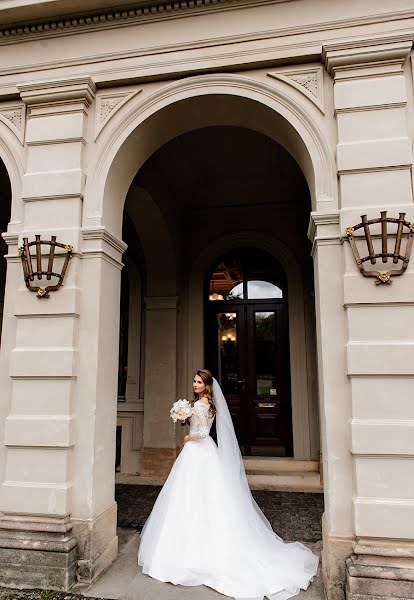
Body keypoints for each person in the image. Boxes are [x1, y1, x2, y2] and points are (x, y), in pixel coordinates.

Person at [138, 369, 319, 600]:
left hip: (198, 451)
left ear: (207, 385)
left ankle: (189, 551)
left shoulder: (203, 404)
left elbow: (202, 432)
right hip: (202, 454)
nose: (195, 384)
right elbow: (198, 425)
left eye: (199, 382)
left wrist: (188, 436)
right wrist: (184, 417)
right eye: (193, 381)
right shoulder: (204, 403)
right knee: (198, 497)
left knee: (193, 496)